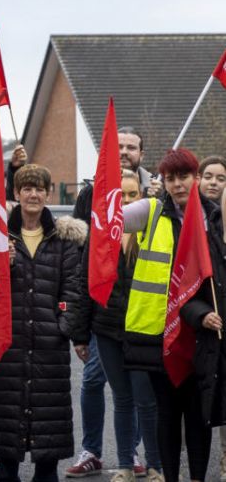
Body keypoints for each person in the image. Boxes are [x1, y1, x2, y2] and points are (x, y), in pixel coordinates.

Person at [123, 148, 219, 482]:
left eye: (184, 177)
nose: (178, 185)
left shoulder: (215, 217)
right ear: (162, 181)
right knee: (167, 412)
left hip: (203, 330)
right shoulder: (151, 210)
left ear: (195, 178)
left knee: (198, 415)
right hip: (158, 332)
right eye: (171, 178)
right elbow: (109, 220)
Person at [66, 126, 157, 478]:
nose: (123, 151)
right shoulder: (91, 194)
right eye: (118, 145)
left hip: (140, 322)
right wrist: (79, 329)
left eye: (131, 147)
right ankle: (91, 449)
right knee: (93, 382)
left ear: (141, 154)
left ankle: (132, 452)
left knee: (137, 393)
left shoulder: (153, 199)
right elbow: (81, 257)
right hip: (103, 319)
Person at [0, 164, 85, 482]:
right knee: (6, 451)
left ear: (48, 193)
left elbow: (74, 286)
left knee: (48, 451)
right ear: (15, 193)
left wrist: (62, 325)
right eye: (26, 188)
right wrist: (1, 265)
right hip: (6, 349)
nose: (33, 194)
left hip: (48, 349)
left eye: (39, 188)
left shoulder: (63, 238)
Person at [182, 185, 226, 482]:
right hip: (214, 346)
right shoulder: (206, 242)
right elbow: (186, 295)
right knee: (208, 415)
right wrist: (202, 314)